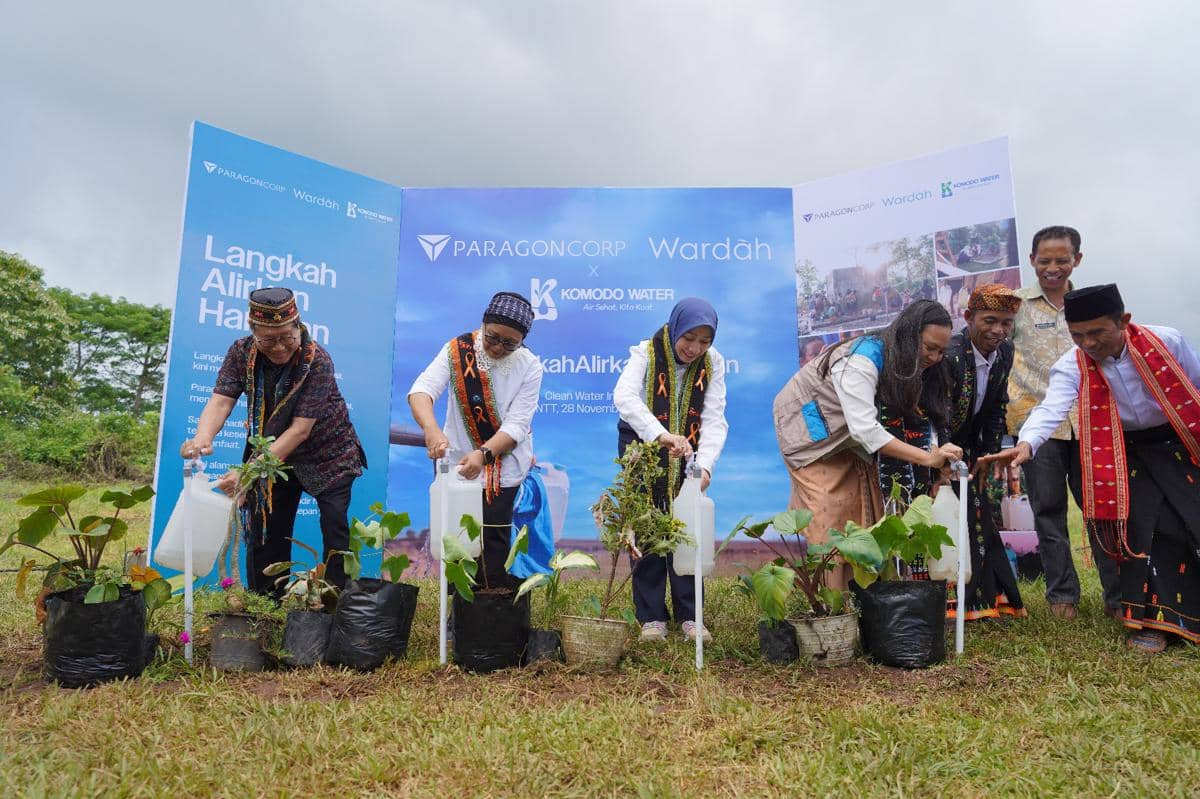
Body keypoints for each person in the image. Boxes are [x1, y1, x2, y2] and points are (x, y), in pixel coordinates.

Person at [981, 284, 1200, 653]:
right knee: (1144, 531)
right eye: (1078, 335)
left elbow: (1193, 384)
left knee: (1190, 522)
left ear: (1124, 321)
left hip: (1180, 442)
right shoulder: (1072, 363)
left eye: (1098, 332)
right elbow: (1052, 408)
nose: (1089, 343)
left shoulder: (1167, 341)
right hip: (1127, 451)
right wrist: (1025, 444)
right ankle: (1157, 624)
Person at [181, 287, 366, 596]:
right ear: (253, 332)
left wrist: (250, 472)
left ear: (298, 327)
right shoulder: (241, 353)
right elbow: (221, 401)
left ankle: (335, 606)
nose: (279, 346)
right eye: (269, 339)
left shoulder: (316, 360)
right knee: (266, 530)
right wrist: (203, 437)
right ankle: (267, 606)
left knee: (335, 529)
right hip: (271, 454)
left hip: (328, 454)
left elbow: (299, 430)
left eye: (286, 337)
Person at [774, 300, 963, 589]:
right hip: (808, 434)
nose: (936, 358)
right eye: (929, 348)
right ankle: (834, 616)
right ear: (909, 336)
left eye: (941, 350)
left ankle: (866, 609)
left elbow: (922, 416)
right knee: (830, 520)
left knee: (865, 519)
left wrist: (940, 457)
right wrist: (927, 459)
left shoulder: (913, 363)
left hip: (851, 439)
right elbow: (866, 431)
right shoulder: (861, 360)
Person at [1006, 226, 1119, 620]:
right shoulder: (1014, 304)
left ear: (1077, 260)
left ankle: (1117, 598)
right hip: (1037, 428)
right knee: (1048, 511)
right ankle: (1062, 598)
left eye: (1062, 260)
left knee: (1100, 511)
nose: (1052, 268)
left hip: (1090, 423)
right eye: (1044, 260)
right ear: (1032, 260)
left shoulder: (1090, 304)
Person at [408, 291, 542, 590]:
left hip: (502, 469)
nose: (498, 347)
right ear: (482, 324)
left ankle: (489, 612)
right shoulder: (457, 350)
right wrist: (431, 429)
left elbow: (518, 425)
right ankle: (460, 612)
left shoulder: (530, 366)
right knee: (458, 540)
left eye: (510, 343)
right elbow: (422, 390)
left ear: (522, 341)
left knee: (494, 541)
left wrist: (483, 455)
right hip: (457, 466)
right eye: (492, 337)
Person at [613, 298, 728, 643]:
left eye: (704, 341)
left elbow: (714, 417)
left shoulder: (713, 363)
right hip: (643, 446)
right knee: (647, 522)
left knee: (687, 526)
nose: (694, 348)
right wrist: (660, 435)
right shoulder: (646, 353)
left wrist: (705, 465)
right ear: (676, 327)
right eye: (689, 338)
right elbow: (625, 398)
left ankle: (691, 616)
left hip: (689, 452)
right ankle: (651, 617)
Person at [937, 283, 1026, 619]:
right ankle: (950, 604)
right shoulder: (951, 353)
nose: (998, 330)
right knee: (949, 520)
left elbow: (995, 407)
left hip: (974, 450)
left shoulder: (1005, 351)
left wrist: (987, 458)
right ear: (968, 317)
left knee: (980, 515)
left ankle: (986, 601)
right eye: (990, 320)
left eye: (1006, 322)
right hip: (939, 449)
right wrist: (944, 461)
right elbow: (937, 410)